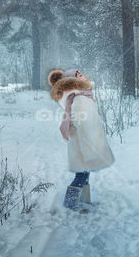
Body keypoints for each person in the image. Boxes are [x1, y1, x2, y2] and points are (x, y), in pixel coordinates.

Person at [47, 68, 115, 212]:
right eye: (79, 75)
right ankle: (69, 204)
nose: (84, 76)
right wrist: (90, 145)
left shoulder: (79, 95)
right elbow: (82, 122)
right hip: (82, 143)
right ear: (74, 80)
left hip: (82, 142)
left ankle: (85, 200)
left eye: (82, 73)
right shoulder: (78, 98)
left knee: (85, 172)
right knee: (82, 174)